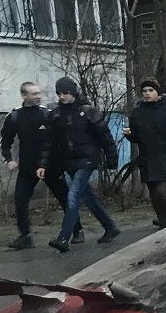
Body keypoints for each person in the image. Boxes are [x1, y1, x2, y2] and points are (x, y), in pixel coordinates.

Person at [37, 76, 120, 253]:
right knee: (88, 198)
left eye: (65, 92)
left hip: (87, 159)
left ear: (73, 92)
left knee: (73, 195)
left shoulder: (88, 111)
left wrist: (112, 161)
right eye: (59, 93)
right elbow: (48, 143)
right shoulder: (56, 114)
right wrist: (43, 164)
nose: (62, 96)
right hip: (69, 161)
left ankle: (63, 238)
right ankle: (110, 227)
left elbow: (105, 137)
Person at [0, 81, 81, 249]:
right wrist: (9, 160)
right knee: (20, 200)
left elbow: (62, 138)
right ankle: (25, 236)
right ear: (24, 96)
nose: (38, 96)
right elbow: (4, 141)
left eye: (39, 93)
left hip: (52, 166)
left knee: (65, 198)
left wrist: (64, 161)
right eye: (34, 94)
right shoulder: (14, 116)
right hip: (28, 168)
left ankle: (77, 230)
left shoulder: (48, 114)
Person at [124, 78, 166, 228]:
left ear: (157, 92)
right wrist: (129, 134)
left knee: (162, 191)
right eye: (144, 91)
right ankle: (165, 223)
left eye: (151, 90)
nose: (147, 93)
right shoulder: (137, 112)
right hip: (147, 157)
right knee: (154, 194)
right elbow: (136, 137)